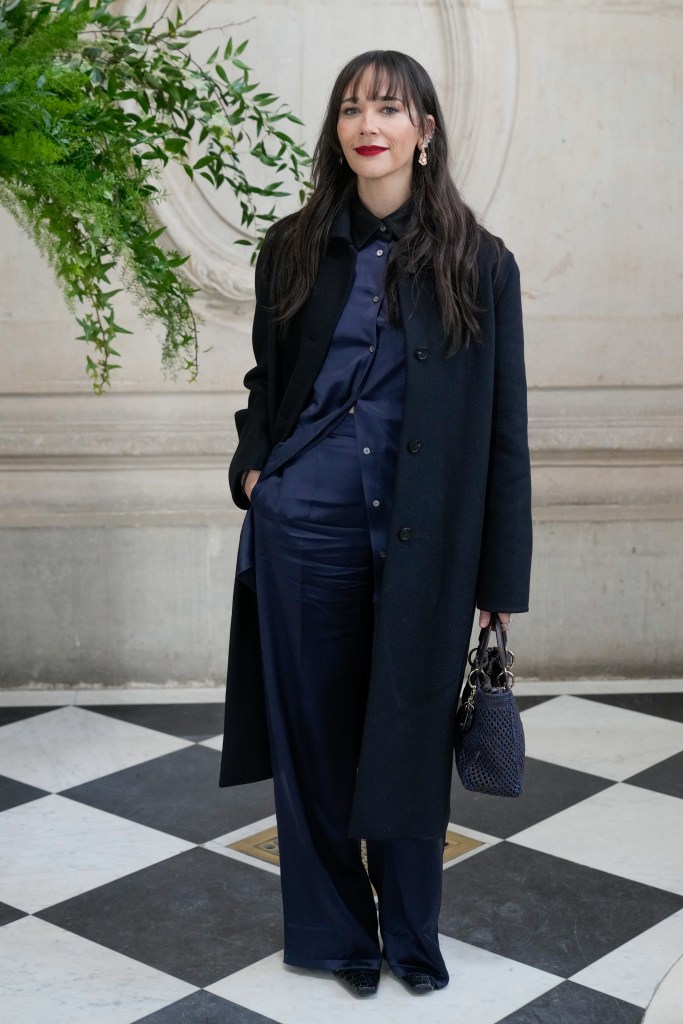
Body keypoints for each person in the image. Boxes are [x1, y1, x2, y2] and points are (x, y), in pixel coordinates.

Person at [218, 49, 532, 998]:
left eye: (390, 109)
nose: (369, 124)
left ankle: (411, 937)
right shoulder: (294, 246)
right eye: (352, 107)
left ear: (424, 133)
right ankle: (334, 934)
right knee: (311, 738)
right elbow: (267, 385)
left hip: (424, 541)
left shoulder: (481, 264)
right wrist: (253, 472)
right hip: (301, 526)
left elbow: (504, 432)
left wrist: (498, 585)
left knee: (403, 741)